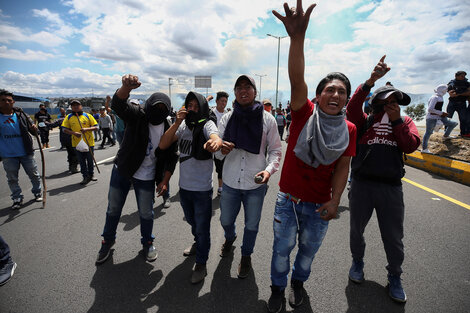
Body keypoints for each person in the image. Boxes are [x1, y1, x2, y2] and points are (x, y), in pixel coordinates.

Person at [267, 3, 357, 311]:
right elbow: (297, 78)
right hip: (288, 200)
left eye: (341, 91)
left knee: (307, 252)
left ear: (346, 98)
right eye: (329, 89)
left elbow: (343, 167)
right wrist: (297, 39)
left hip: (320, 204)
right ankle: (277, 288)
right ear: (318, 97)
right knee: (281, 250)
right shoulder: (303, 113)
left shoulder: (350, 129)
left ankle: (298, 284)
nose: (335, 94)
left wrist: (334, 200)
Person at [346, 61, 420, 302]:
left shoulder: (406, 122)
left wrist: (398, 121)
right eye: (387, 101)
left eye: (395, 102)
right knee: (356, 230)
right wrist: (370, 82)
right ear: (377, 103)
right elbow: (353, 106)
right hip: (361, 185)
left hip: (391, 188)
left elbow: (410, 145)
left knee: (393, 237)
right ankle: (357, 263)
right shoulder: (365, 120)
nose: (392, 105)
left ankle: (395, 277)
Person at [96, 74, 178, 265]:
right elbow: (119, 105)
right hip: (123, 170)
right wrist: (126, 88)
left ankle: (148, 243)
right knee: (113, 209)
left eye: (162, 109)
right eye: (155, 106)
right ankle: (107, 241)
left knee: (147, 213)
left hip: (147, 176)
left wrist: (164, 181)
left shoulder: (168, 127)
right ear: (148, 104)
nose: (157, 111)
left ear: (167, 110)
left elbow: (172, 156)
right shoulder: (138, 115)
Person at [215, 75, 282, 280]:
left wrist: (268, 170)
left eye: (248, 87)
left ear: (255, 92)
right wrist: (221, 150)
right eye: (239, 88)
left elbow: (276, 151)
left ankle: (246, 255)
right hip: (230, 182)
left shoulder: (267, 119)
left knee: (252, 225)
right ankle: (230, 237)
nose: (243, 91)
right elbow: (217, 153)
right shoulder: (227, 118)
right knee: (226, 220)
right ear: (235, 92)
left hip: (256, 184)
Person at [159, 91, 222, 284]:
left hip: (202, 190)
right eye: (190, 106)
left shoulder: (207, 124)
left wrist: (215, 142)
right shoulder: (183, 125)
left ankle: (201, 264)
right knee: (193, 223)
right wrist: (177, 122)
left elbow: (215, 136)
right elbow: (163, 144)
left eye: (196, 106)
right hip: (184, 188)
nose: (193, 109)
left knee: (203, 228)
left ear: (202, 107)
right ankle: (198, 243)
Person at [0, 89, 43, 209]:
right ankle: (17, 198)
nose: (6, 102)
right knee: (12, 178)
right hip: (8, 155)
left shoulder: (22, 115)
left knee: (34, 174)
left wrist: (34, 129)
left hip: (26, 152)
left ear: (13, 102)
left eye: (9, 100)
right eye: (3, 100)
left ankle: (37, 192)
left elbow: (35, 132)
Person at [61, 100, 99, 185]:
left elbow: (96, 127)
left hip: (89, 143)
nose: (75, 107)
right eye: (73, 105)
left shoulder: (88, 115)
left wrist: (87, 129)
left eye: (77, 105)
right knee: (81, 161)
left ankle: (91, 174)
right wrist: (74, 133)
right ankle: (85, 176)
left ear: (81, 106)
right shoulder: (69, 117)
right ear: (71, 107)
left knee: (90, 160)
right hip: (76, 144)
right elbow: (64, 129)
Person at [422, 84, 459, 153]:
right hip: (432, 118)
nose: (446, 91)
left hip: (439, 116)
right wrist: (442, 113)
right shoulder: (435, 98)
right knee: (428, 133)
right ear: (442, 90)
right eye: (445, 90)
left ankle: (446, 136)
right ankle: (424, 149)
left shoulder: (440, 97)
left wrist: (442, 113)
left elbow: (437, 108)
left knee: (453, 124)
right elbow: (430, 109)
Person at [49, 107, 79, 173]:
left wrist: (46, 123)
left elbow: (52, 125)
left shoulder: (62, 120)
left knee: (70, 153)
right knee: (74, 154)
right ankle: (73, 168)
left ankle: (71, 166)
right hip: (72, 139)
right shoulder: (74, 120)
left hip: (65, 140)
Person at [212, 91, 229, 196]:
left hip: (225, 145)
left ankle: (222, 187)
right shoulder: (211, 114)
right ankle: (218, 187)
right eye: (222, 101)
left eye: (225, 101)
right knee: (218, 167)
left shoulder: (227, 114)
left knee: (224, 167)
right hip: (213, 145)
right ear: (217, 101)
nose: (224, 103)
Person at [447, 71, 470, 137]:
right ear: (456, 76)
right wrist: (451, 92)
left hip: (462, 103)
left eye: (464, 76)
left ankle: (463, 133)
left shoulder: (466, 83)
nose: (463, 77)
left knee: (463, 119)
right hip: (452, 103)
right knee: (448, 118)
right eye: (462, 76)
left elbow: (469, 92)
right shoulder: (452, 83)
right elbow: (450, 91)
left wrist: (459, 94)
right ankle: (446, 133)